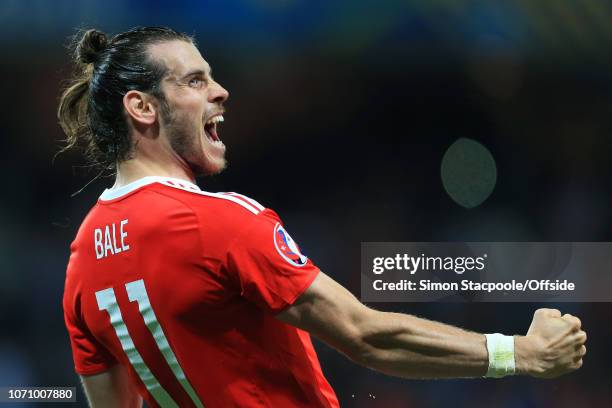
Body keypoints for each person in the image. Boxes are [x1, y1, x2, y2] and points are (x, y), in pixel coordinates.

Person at [59, 27, 587, 408]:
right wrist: (520, 352)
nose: (219, 91)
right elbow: (365, 335)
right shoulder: (218, 223)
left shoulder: (81, 260)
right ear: (142, 107)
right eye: (194, 81)